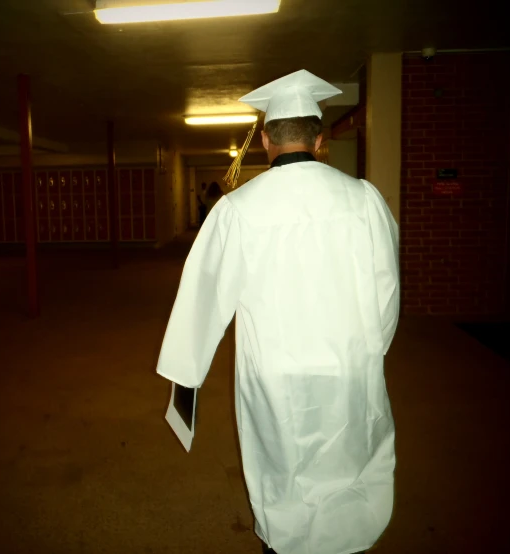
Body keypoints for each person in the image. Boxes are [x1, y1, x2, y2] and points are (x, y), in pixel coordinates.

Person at [155, 69, 400, 554]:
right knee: (348, 455)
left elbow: (203, 294)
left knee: (282, 465)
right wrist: (368, 350)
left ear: (266, 138)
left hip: (273, 369)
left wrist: (187, 375)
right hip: (347, 363)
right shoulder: (364, 200)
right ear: (319, 137)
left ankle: (286, 543)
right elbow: (386, 292)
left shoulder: (238, 209)